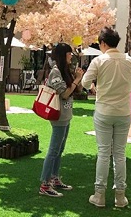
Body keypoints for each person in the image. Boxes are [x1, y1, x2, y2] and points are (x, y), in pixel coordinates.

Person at [81, 27, 131, 208]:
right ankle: (120, 196)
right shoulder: (130, 61)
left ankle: (100, 195)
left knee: (104, 153)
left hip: (104, 111)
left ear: (103, 43)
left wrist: (95, 88)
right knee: (120, 154)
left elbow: (85, 82)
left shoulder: (99, 61)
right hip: (123, 112)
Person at [39, 43, 84, 198]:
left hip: (66, 115)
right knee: (53, 151)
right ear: (62, 55)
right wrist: (77, 79)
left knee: (59, 150)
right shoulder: (56, 72)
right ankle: (45, 183)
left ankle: (54, 178)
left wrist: (79, 78)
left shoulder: (65, 71)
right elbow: (64, 94)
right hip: (58, 116)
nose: (71, 56)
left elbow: (76, 90)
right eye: (69, 54)